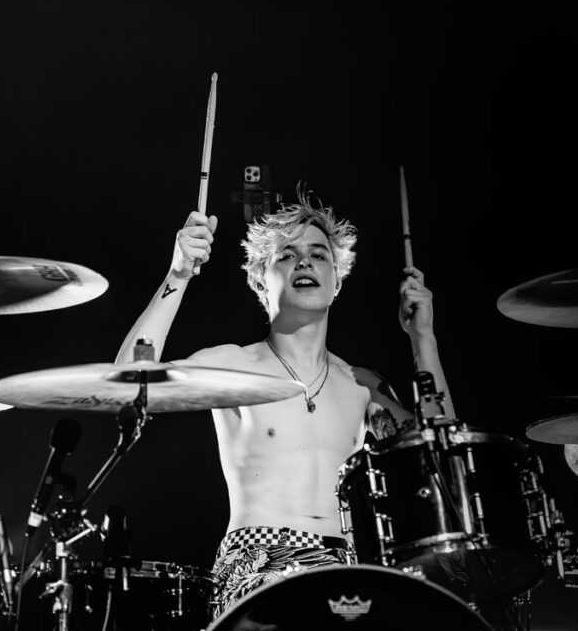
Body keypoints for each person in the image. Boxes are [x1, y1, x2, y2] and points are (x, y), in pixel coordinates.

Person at [115, 187, 455, 616]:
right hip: (256, 568)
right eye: (287, 255)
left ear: (337, 281)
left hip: (343, 573)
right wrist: (178, 275)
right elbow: (128, 384)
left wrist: (423, 338)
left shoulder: (362, 385)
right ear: (261, 280)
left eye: (319, 254)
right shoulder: (233, 365)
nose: (305, 262)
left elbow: (444, 457)